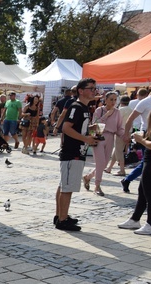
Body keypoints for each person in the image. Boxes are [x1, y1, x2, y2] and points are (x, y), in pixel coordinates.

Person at [54, 78, 98, 232]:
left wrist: (91, 131)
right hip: (72, 152)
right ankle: (62, 220)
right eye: (91, 88)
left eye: (94, 88)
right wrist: (86, 138)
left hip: (78, 152)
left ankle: (61, 215)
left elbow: (79, 127)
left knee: (65, 185)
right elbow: (66, 128)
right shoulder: (76, 107)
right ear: (81, 90)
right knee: (67, 187)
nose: (94, 91)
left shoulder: (85, 108)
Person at [117, 111, 151, 235]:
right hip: (148, 161)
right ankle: (135, 219)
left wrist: (141, 140)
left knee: (149, 194)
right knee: (142, 191)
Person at [82, 91, 124, 196]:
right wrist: (106, 115)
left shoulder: (117, 112)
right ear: (105, 100)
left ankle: (88, 177)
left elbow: (119, 127)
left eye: (115, 99)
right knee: (100, 163)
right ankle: (97, 185)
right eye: (111, 99)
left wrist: (125, 136)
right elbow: (95, 124)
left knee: (104, 164)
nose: (113, 102)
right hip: (99, 137)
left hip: (111, 137)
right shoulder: (99, 110)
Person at [105, 96, 133, 176]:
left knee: (118, 151)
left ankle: (122, 170)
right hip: (128, 131)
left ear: (120, 102)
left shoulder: (120, 110)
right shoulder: (131, 110)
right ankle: (109, 167)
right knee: (117, 149)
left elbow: (115, 121)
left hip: (120, 132)